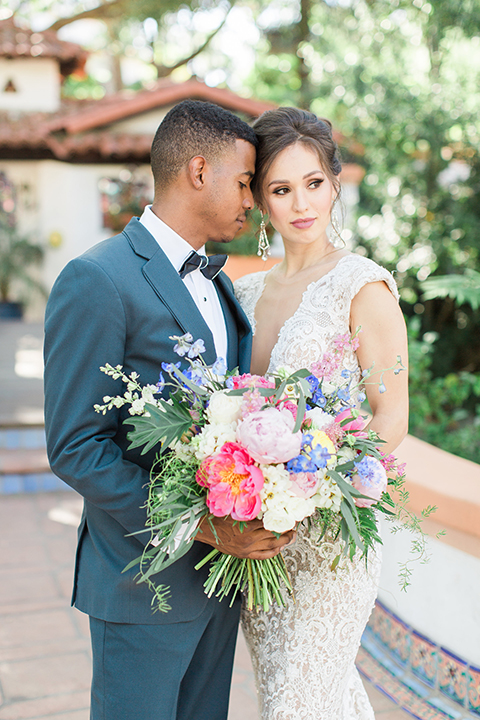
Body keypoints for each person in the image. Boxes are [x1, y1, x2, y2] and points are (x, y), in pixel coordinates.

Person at [43, 100, 295, 720]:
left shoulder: (220, 284)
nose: (251, 201)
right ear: (200, 171)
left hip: (218, 579)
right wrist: (198, 526)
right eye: (244, 182)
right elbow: (75, 445)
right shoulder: (96, 279)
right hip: (142, 580)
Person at [234, 107, 409, 719]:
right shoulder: (245, 293)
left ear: (335, 183)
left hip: (330, 541)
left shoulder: (363, 286)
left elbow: (391, 418)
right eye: (281, 189)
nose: (301, 203)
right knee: (312, 698)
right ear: (261, 200)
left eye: (313, 183)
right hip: (261, 540)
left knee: (296, 704)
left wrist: (316, 488)